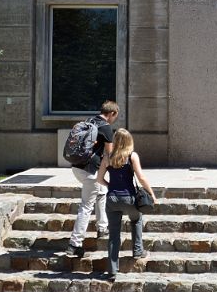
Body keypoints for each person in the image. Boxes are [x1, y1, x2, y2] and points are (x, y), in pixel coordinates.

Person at [95, 128, 156, 282]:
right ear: (129, 141)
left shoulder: (107, 157)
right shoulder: (131, 156)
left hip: (112, 200)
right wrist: (152, 194)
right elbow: (141, 177)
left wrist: (110, 187)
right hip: (129, 198)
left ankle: (112, 270)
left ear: (115, 141)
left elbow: (99, 179)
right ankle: (137, 251)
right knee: (136, 219)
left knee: (114, 235)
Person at [67, 100, 118, 259]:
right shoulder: (106, 128)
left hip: (76, 166)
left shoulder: (89, 122)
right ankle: (74, 244)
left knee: (102, 191)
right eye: (115, 116)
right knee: (86, 206)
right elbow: (108, 156)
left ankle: (102, 227)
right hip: (90, 171)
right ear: (112, 114)